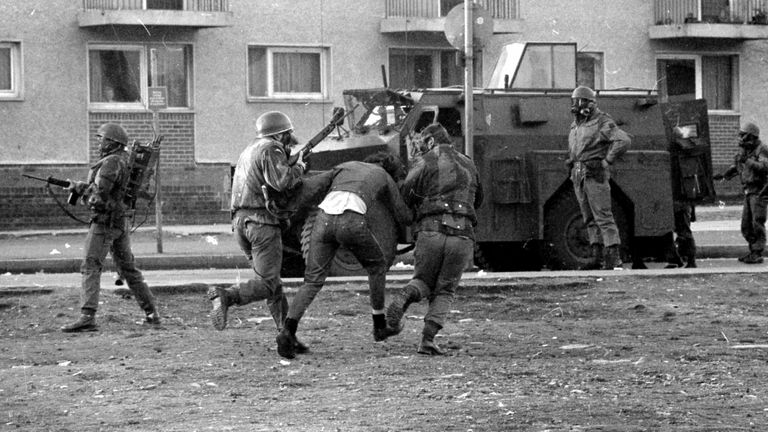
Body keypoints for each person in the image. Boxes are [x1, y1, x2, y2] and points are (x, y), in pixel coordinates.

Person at [275, 152, 413, 359]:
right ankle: (379, 326)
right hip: (351, 221)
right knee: (376, 267)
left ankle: (288, 331)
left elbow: (310, 188)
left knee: (312, 280)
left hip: (323, 222)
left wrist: (283, 205)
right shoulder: (384, 175)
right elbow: (404, 216)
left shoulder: (344, 166)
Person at [208, 111, 308, 344]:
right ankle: (226, 296)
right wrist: (300, 167)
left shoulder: (249, 150)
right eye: (288, 136)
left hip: (240, 223)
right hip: (261, 224)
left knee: (272, 283)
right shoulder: (271, 149)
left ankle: (287, 335)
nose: (289, 141)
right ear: (281, 134)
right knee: (268, 283)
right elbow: (281, 182)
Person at [385, 124, 483, 356]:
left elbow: (406, 195)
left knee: (423, 280)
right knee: (446, 290)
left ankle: (406, 295)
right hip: (462, 235)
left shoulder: (425, 161)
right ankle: (427, 340)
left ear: (429, 142)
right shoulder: (469, 163)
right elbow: (478, 200)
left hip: (430, 231)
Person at [61, 123, 160, 332]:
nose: (99, 142)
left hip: (105, 223)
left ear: (112, 143)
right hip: (119, 222)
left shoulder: (110, 163)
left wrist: (80, 191)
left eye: (102, 139)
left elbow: (98, 199)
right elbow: (106, 191)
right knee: (129, 270)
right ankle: (151, 313)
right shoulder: (120, 161)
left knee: (90, 265)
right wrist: (83, 187)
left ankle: (87, 316)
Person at [565, 86, 631, 270]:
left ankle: (613, 257)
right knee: (588, 217)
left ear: (589, 103)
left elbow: (623, 140)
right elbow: (577, 147)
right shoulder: (576, 124)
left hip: (594, 173)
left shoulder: (602, 121)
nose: (576, 105)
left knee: (603, 215)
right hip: (578, 173)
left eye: (579, 101)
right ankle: (597, 256)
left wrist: (607, 160)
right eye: (574, 101)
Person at [714, 121, 768, 264]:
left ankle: (757, 252)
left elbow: (764, 167)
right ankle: (752, 250)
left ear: (751, 136)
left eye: (743, 135)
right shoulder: (745, 151)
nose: (741, 138)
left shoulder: (762, 149)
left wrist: (748, 161)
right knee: (746, 225)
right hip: (748, 191)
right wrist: (725, 175)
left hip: (759, 191)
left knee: (757, 223)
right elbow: (737, 165)